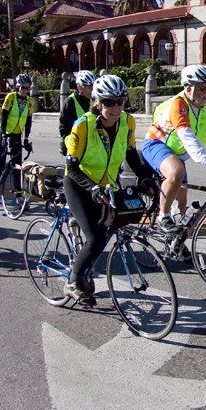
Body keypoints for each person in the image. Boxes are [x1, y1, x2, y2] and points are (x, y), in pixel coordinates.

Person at [62, 75, 157, 305]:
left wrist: (147, 178)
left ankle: (84, 270)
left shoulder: (127, 122)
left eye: (120, 102)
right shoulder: (82, 125)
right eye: (109, 102)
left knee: (108, 230)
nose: (116, 108)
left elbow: (131, 154)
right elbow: (72, 167)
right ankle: (73, 280)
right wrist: (92, 187)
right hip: (79, 185)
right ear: (97, 102)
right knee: (95, 239)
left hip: (106, 186)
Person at [142, 64, 206, 247]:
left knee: (182, 202)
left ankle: (175, 245)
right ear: (188, 88)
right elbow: (186, 136)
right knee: (176, 171)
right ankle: (163, 217)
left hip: (179, 153)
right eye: (201, 88)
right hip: (157, 144)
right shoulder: (179, 104)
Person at [0, 73, 35, 202]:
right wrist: (6, 136)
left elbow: (28, 122)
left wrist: (26, 139)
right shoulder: (10, 97)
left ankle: (19, 197)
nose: (25, 90)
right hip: (5, 133)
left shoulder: (30, 102)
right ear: (18, 87)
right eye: (23, 87)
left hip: (17, 135)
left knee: (17, 166)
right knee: (0, 166)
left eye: (27, 88)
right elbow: (4, 117)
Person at [58, 70, 95, 154]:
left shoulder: (93, 100)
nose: (92, 90)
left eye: (93, 87)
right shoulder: (70, 102)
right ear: (79, 86)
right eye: (89, 87)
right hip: (76, 146)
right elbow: (63, 128)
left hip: (91, 146)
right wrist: (73, 145)